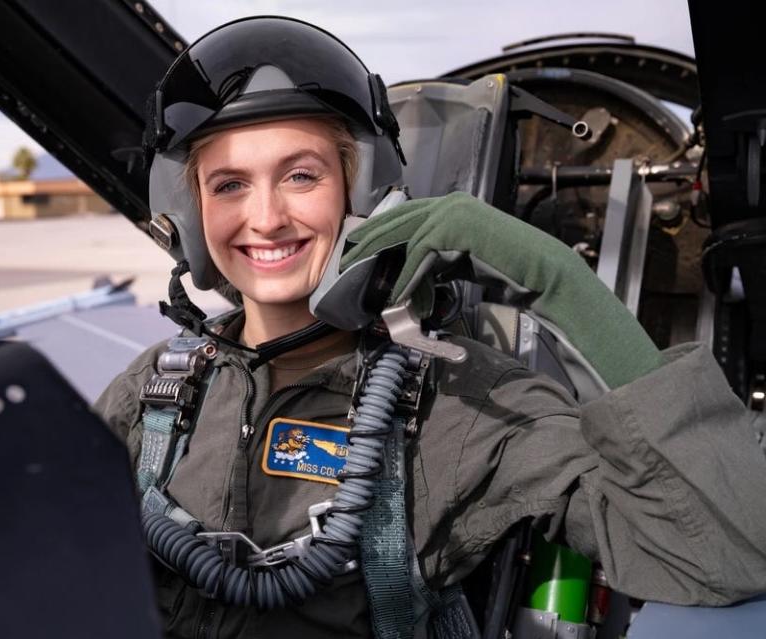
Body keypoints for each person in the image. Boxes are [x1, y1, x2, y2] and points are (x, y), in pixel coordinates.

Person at [95, 16, 766, 639]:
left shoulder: (468, 398)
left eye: (301, 175)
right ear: (189, 214)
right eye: (230, 185)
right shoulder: (156, 391)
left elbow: (732, 553)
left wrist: (562, 280)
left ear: (362, 194)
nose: (266, 217)